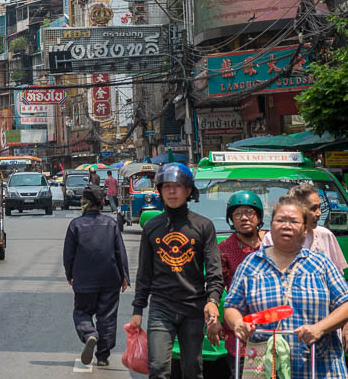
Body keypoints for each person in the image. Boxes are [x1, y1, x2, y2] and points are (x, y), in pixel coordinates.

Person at [225, 196, 348, 379]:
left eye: (294, 221)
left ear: (305, 230)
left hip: (320, 365)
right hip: (266, 368)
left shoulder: (321, 264)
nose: (286, 225)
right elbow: (232, 306)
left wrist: (320, 328)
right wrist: (238, 323)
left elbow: (345, 303)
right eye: (280, 220)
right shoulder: (251, 264)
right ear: (270, 226)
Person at [130, 162, 223, 379]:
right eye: (167, 186)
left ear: (189, 190)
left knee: (192, 369)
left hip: (194, 307)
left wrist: (213, 300)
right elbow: (144, 274)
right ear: (160, 191)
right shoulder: (152, 227)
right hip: (161, 307)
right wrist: (137, 311)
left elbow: (214, 269)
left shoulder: (204, 226)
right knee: (158, 369)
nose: (172, 191)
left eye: (178, 186)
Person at [63, 184, 129, 367]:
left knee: (82, 312)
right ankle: (102, 356)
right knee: (107, 316)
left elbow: (68, 255)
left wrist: (69, 274)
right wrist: (125, 276)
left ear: (84, 202)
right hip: (110, 278)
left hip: (84, 279)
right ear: (101, 202)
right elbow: (120, 252)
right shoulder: (111, 224)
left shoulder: (75, 225)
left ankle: (89, 334)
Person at [215, 191, 266, 378]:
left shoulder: (272, 242)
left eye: (249, 212)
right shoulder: (224, 248)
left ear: (259, 217)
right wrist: (213, 317)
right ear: (231, 219)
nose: (244, 218)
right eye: (238, 214)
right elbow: (216, 285)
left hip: (274, 325)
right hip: (240, 327)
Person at [261, 183, 348, 271]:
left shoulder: (326, 235)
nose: (319, 213)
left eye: (319, 207)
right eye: (313, 208)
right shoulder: (271, 238)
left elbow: (337, 276)